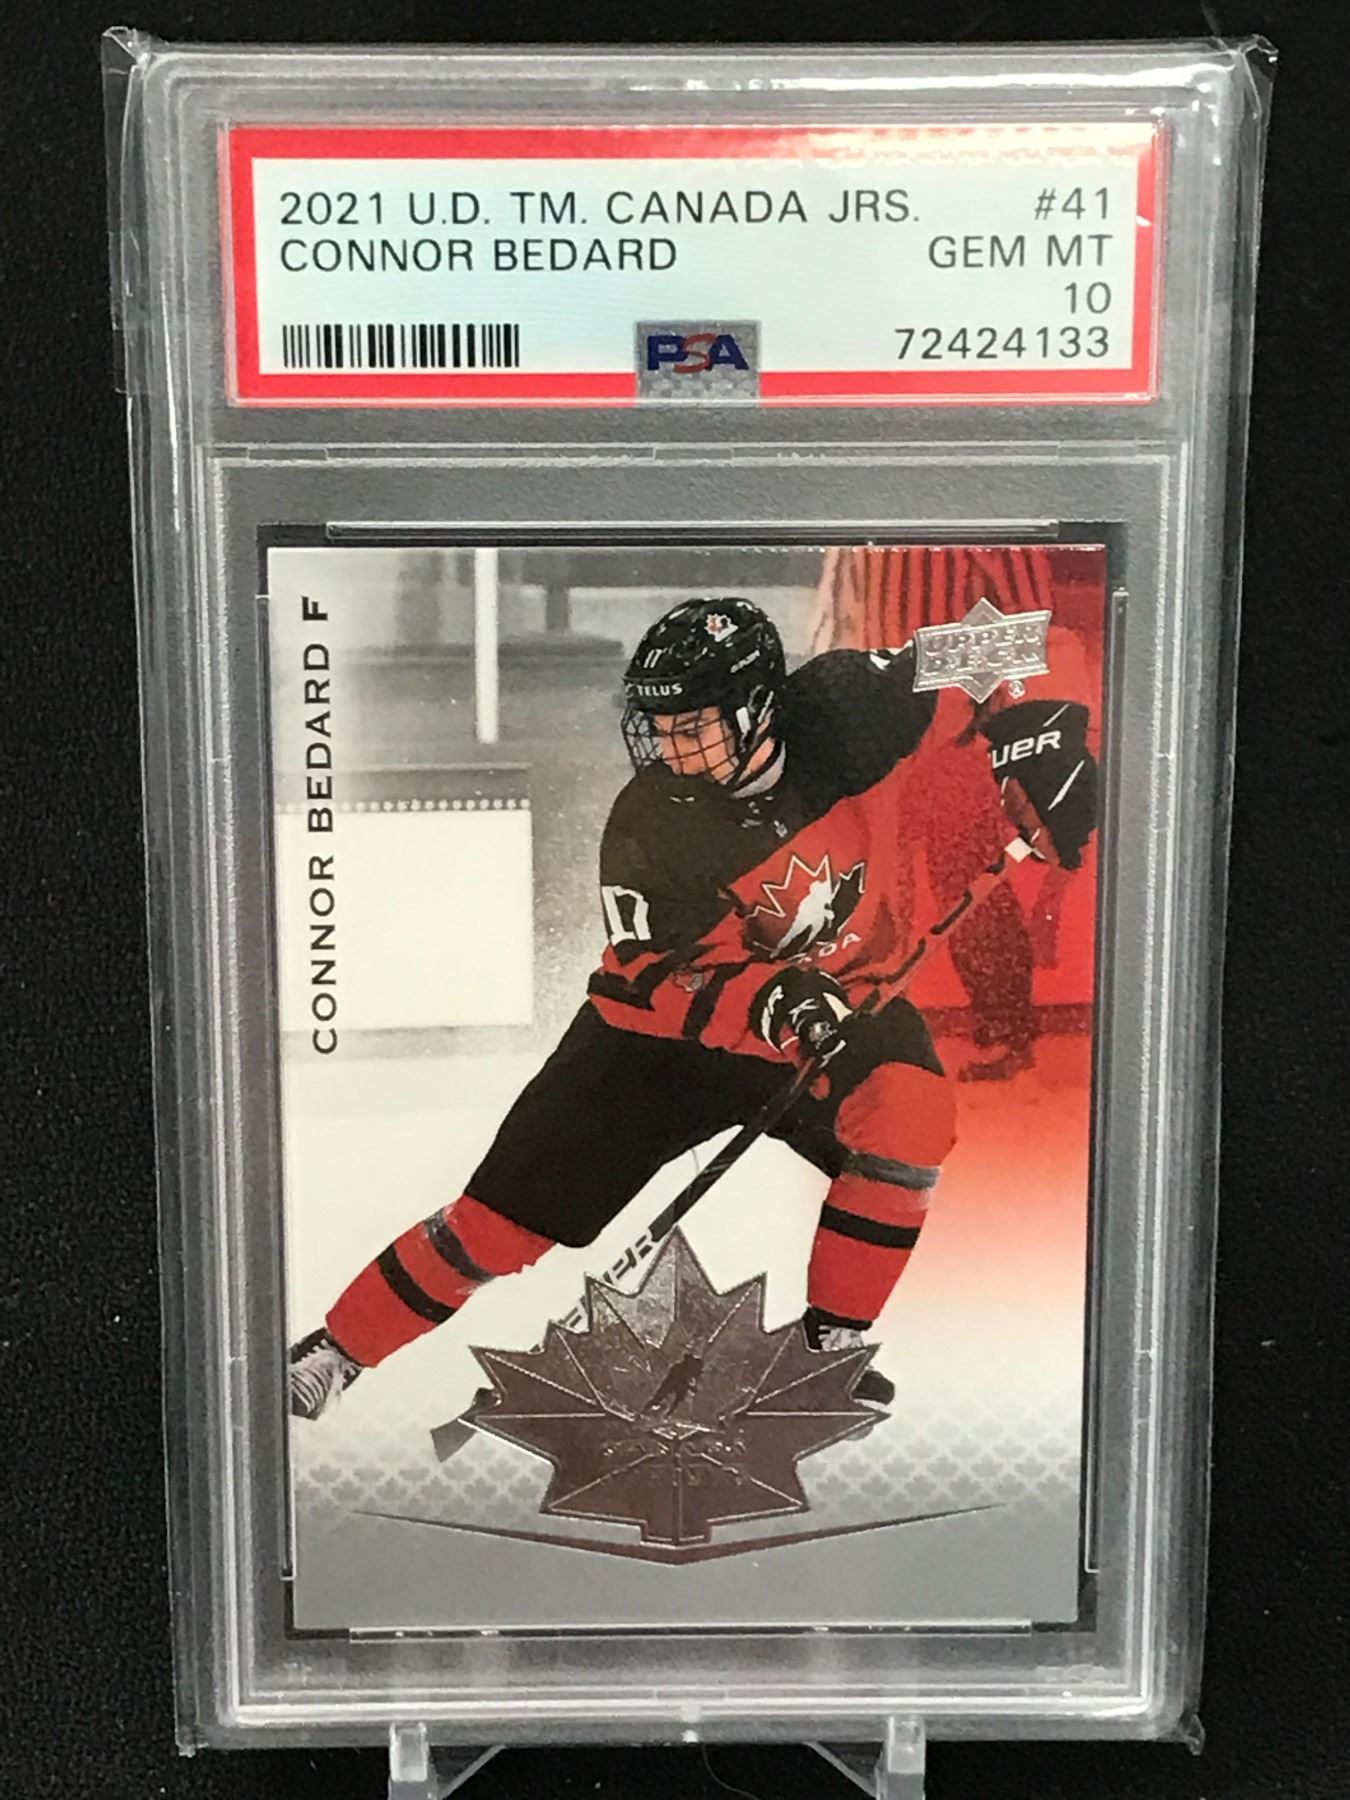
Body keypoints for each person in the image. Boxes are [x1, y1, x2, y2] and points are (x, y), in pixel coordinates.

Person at [289, 595, 1096, 1421]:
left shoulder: (850, 704)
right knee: (495, 1229)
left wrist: (1035, 740)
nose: (670, 749)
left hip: (839, 1004)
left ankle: (830, 1345)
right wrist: (774, 996)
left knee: (911, 1114)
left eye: (693, 727)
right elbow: (657, 979)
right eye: (660, 728)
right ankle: (337, 1350)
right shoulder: (649, 824)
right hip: (658, 1049)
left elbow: (1011, 642)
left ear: (757, 707)